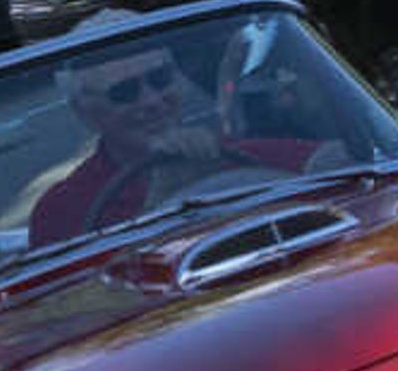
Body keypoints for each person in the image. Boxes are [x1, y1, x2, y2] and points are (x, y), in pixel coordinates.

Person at [22, 37, 326, 245]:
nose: (152, 100)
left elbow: (335, 167)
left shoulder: (235, 150)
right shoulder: (63, 209)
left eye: (160, 79)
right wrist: (160, 202)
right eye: (125, 92)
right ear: (86, 113)